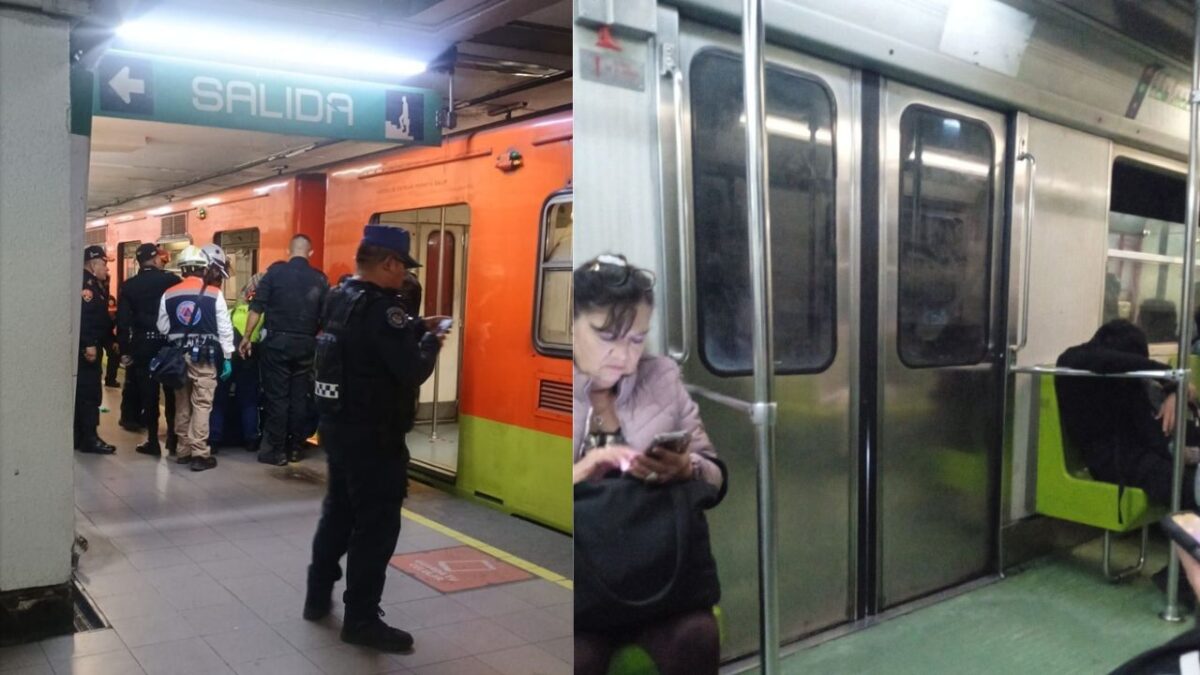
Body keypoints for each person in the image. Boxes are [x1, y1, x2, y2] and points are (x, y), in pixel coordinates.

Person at [572, 253, 726, 675]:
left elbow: (715, 476)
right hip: (582, 583)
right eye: (607, 336)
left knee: (697, 635)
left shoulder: (662, 378)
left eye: (637, 339)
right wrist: (581, 471)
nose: (624, 356)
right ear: (571, 327)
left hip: (661, 576)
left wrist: (687, 468)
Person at [303, 225, 444, 652]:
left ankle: (316, 597)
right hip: (375, 436)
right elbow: (411, 370)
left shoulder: (340, 295)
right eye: (403, 267)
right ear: (389, 263)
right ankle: (361, 618)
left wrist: (416, 323)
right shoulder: (386, 311)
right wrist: (432, 340)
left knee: (339, 513)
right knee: (376, 527)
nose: (405, 277)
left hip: (338, 428)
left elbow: (364, 341)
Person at [1056, 319, 1198, 510]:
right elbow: (1112, 360)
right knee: (1186, 486)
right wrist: (1172, 377)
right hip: (1112, 460)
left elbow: (1149, 426)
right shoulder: (1074, 363)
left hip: (1139, 450)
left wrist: (1174, 389)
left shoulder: (1121, 379)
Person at [240, 234, 329, 465]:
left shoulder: (274, 275)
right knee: (299, 397)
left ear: (288, 251)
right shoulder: (320, 279)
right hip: (307, 344)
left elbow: (256, 309)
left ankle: (275, 451)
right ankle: (295, 448)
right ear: (310, 252)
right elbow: (326, 316)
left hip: (277, 344)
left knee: (277, 396)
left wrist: (247, 337)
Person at [158, 244, 234, 472]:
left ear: (182, 270)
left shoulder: (169, 294)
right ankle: (200, 453)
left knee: (182, 403)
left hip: (179, 358)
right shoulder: (214, 294)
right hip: (205, 358)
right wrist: (228, 356)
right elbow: (224, 329)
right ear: (203, 269)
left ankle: (183, 450)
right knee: (201, 404)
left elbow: (162, 327)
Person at [118, 243, 182, 457]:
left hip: (142, 346)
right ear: (155, 260)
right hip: (168, 344)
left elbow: (123, 322)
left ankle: (153, 441)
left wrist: (125, 351)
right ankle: (173, 440)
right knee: (171, 394)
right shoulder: (172, 281)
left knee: (149, 395)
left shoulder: (129, 286)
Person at [210, 273, 263, 452]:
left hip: (227, 360)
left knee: (219, 399)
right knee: (248, 400)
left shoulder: (232, 312)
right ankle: (251, 439)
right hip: (248, 360)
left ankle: (215, 438)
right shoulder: (262, 316)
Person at [75, 245, 116, 454]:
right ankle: (89, 438)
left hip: (94, 345)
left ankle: (81, 436)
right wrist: (89, 343)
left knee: (86, 392)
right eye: (104, 263)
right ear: (93, 263)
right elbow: (85, 318)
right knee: (90, 393)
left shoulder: (97, 285)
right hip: (87, 350)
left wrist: (111, 341)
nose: (106, 268)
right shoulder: (87, 286)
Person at [104, 294, 120, 388]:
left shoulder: (115, 312)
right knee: (114, 357)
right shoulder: (116, 313)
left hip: (110, 337)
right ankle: (110, 379)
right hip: (109, 337)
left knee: (114, 358)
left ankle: (110, 379)